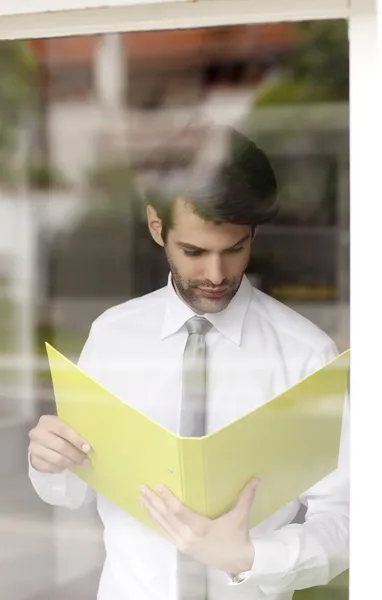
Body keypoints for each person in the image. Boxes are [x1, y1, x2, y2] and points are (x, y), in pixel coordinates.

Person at [28, 127, 349, 600]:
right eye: (195, 252)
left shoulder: (306, 354)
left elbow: (347, 519)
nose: (216, 275)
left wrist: (252, 559)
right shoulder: (112, 335)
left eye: (235, 249)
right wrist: (49, 465)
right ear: (157, 228)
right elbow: (75, 491)